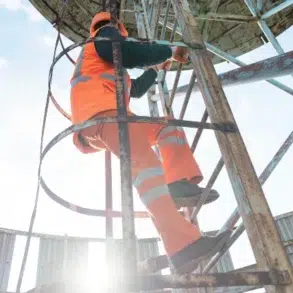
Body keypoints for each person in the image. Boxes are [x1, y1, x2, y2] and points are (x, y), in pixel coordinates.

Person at [70, 11, 231, 274]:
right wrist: (166, 51)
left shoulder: (106, 60)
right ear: (116, 28)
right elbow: (126, 53)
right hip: (100, 115)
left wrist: (155, 68)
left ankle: (178, 183)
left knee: (167, 128)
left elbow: (134, 90)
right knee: (147, 168)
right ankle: (183, 244)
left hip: (113, 117)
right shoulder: (104, 37)